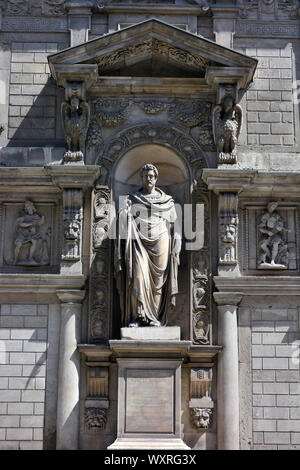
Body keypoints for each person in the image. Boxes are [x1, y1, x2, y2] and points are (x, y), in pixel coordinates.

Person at [114, 164, 181, 327]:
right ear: (141, 178)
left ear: (156, 178)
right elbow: (122, 222)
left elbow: (175, 225)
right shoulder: (133, 198)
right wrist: (124, 212)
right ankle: (138, 316)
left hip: (162, 241)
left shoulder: (167, 201)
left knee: (158, 281)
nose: (149, 179)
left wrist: (177, 240)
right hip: (138, 241)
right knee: (137, 276)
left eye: (151, 176)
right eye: (145, 176)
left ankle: (154, 318)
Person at [14, 200, 45, 265]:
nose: (28, 208)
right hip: (22, 233)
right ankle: (15, 259)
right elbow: (21, 224)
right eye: (26, 206)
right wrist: (30, 224)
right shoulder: (24, 215)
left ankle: (30, 258)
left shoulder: (36, 216)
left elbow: (40, 223)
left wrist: (42, 218)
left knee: (34, 241)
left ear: (32, 206)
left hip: (32, 234)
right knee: (18, 244)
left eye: (28, 206)